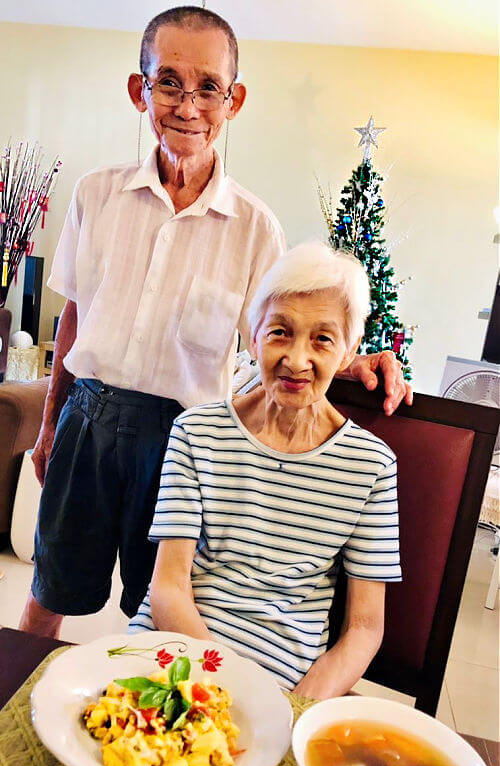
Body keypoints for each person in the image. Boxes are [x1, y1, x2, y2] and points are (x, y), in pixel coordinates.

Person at [20, 7, 410, 640]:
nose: (187, 104)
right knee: (49, 587)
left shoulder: (257, 229)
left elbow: (280, 339)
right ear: (138, 90)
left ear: (234, 101)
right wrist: (48, 426)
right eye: (168, 81)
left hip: (184, 441)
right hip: (85, 421)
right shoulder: (95, 195)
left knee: (158, 615)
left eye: (208, 87)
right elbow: (73, 316)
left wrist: (349, 362)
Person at [129, 242, 401, 699]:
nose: (297, 360)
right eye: (280, 332)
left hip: (288, 685)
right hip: (172, 651)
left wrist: (297, 708)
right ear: (254, 336)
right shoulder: (197, 432)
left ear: (350, 349)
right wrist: (226, 690)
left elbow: (364, 628)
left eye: (322, 339)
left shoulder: (372, 466)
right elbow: (169, 587)